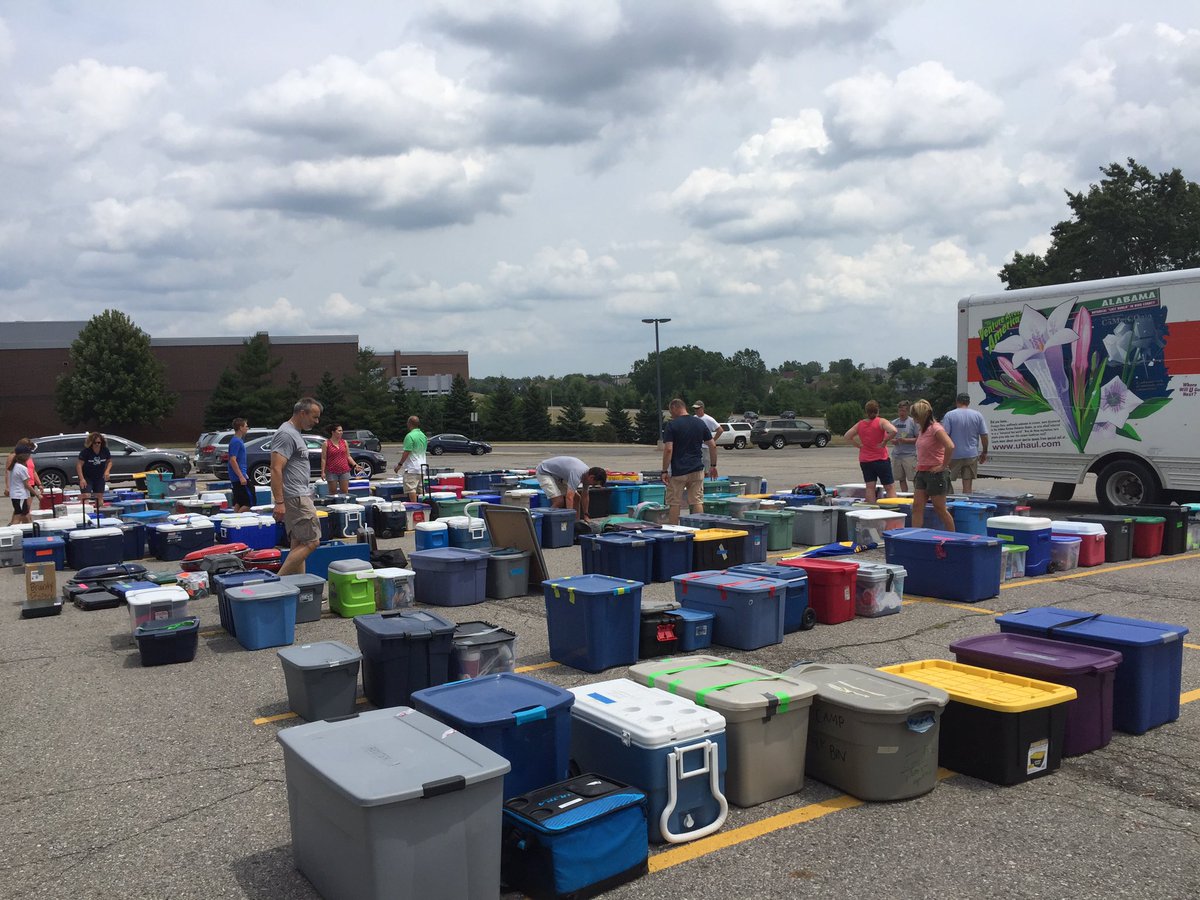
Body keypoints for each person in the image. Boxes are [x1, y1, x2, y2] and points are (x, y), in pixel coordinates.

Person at [272, 398, 323, 577]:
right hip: (296, 497)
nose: (316, 422)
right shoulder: (286, 434)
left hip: (300, 494)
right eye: (314, 417)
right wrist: (279, 502)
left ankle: (301, 588)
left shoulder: (295, 432)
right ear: (303, 413)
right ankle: (276, 584)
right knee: (312, 542)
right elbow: (276, 468)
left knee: (298, 543)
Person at [662, 398, 717, 525]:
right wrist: (713, 465)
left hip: (678, 471)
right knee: (696, 500)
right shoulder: (699, 423)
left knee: (674, 502)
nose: (671, 414)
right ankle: (698, 529)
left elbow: (668, 449)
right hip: (697, 469)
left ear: (675, 408)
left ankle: (674, 531)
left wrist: (664, 470)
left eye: (671, 411)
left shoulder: (672, 425)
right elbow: (712, 445)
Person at [910, 399, 955, 531]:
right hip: (922, 472)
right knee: (917, 506)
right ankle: (914, 535)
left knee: (940, 508)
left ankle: (952, 535)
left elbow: (950, 446)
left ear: (923, 415)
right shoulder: (922, 430)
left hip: (936, 474)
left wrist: (943, 466)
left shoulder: (936, 428)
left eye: (916, 416)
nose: (915, 419)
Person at [843, 400, 898, 503]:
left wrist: (858, 445)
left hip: (865, 460)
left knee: (870, 487)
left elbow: (847, 436)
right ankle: (893, 511)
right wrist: (885, 441)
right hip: (881, 459)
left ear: (866, 411)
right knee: (889, 487)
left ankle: (871, 510)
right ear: (878, 410)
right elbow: (893, 430)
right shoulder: (881, 421)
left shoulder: (860, 424)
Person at [942, 392, 989, 494]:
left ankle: (948, 503)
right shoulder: (977, 415)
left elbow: (945, 436)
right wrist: (984, 452)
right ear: (968, 402)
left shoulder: (949, 415)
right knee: (967, 484)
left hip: (953, 455)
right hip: (971, 455)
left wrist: (942, 454)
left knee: (946, 479)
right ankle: (966, 503)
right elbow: (984, 435)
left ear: (957, 401)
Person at [534, 456, 607, 521]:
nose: (593, 485)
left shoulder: (588, 474)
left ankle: (576, 523)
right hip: (544, 472)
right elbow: (569, 497)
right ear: (591, 477)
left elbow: (585, 495)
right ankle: (545, 523)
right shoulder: (577, 473)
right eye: (594, 483)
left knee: (577, 498)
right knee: (559, 501)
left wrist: (586, 515)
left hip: (558, 476)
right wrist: (569, 518)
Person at [393, 416, 428, 503]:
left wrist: (399, 465)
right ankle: (423, 507)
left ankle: (415, 508)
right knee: (421, 489)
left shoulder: (410, 436)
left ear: (409, 424)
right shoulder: (423, 436)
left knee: (411, 488)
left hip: (412, 467)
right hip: (423, 467)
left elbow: (407, 451)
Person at [7, 442, 41, 525]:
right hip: (20, 495)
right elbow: (27, 485)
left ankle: (29, 531)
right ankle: (13, 533)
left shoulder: (14, 466)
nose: (30, 456)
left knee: (24, 515)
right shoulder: (22, 468)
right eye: (29, 454)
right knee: (18, 516)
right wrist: (37, 494)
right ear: (24, 456)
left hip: (16, 495)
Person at [890, 400, 920, 493]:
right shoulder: (894, 422)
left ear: (908, 412)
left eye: (903, 411)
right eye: (900, 411)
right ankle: (905, 494)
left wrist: (906, 440)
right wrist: (893, 440)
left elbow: (919, 439)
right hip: (897, 455)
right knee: (900, 478)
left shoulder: (913, 422)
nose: (901, 413)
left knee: (914, 477)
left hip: (909, 455)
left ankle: (918, 494)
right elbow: (889, 436)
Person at [76, 432, 112, 503]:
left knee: (99, 496)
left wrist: (107, 471)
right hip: (87, 477)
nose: (97, 444)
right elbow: (79, 465)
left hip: (99, 477)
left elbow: (109, 462)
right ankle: (85, 511)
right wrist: (82, 479)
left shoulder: (105, 450)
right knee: (86, 495)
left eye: (99, 443)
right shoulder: (86, 452)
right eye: (95, 443)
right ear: (91, 443)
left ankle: (100, 511)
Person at [227, 418, 253, 513]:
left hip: (239, 476)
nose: (247, 428)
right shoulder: (236, 442)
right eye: (246, 426)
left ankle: (235, 520)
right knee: (249, 503)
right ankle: (239, 521)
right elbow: (232, 460)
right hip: (239, 477)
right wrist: (241, 476)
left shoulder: (238, 441)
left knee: (239, 502)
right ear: (240, 427)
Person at [321, 424, 354, 495]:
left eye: (342, 431)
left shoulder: (344, 442)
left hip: (344, 469)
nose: (341, 432)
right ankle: (334, 505)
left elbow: (348, 456)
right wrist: (323, 472)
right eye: (339, 431)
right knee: (333, 492)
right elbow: (323, 458)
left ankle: (344, 505)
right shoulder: (326, 443)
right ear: (333, 432)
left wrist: (355, 465)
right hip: (331, 471)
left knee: (345, 492)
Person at [692, 401, 724, 473]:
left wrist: (713, 440)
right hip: (696, 447)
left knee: (707, 469)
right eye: (695, 409)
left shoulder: (708, 419)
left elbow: (720, 430)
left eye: (697, 408)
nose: (696, 410)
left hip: (705, 448)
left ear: (702, 408)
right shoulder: (694, 418)